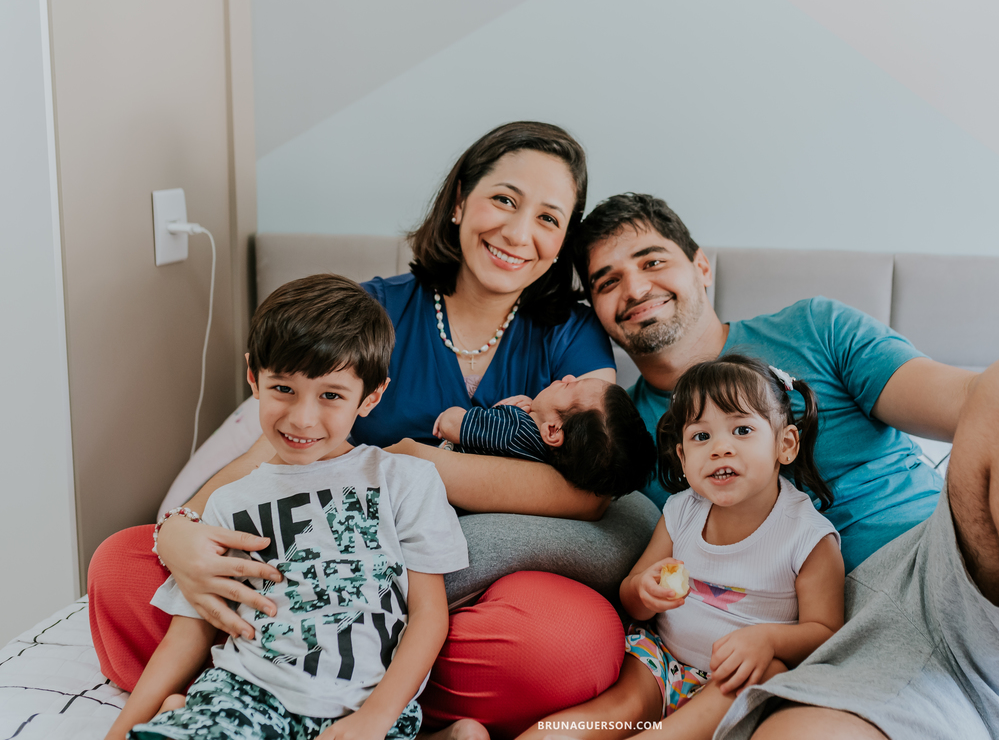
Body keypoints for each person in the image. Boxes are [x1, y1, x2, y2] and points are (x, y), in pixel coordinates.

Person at [88, 123, 658, 739]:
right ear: (461, 199)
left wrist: (413, 461)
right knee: (122, 567)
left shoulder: (570, 335)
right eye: (505, 200)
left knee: (567, 644)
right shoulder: (376, 311)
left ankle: (325, 698)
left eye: (550, 219)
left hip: (459, 597)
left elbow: (585, 491)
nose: (520, 234)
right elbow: (279, 448)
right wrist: (181, 530)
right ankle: (300, 696)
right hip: (319, 581)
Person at [573, 193, 999, 740]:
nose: (636, 287)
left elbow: (976, 400)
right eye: (608, 282)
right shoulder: (632, 439)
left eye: (652, 260)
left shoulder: (814, 328)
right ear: (596, 311)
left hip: (941, 564)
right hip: (834, 655)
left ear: (701, 267)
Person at [105, 273, 469, 740]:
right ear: (254, 377)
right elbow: (189, 633)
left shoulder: (403, 479)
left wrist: (376, 717)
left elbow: (428, 615)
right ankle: (181, 717)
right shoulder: (229, 503)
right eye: (284, 389)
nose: (302, 418)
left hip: (367, 703)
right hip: (249, 693)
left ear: (371, 396)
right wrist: (119, 732)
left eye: (331, 396)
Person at [524, 355, 844, 740]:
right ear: (683, 457)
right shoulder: (681, 511)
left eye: (741, 430)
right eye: (701, 436)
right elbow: (631, 596)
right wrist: (645, 590)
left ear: (785, 444)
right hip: (658, 663)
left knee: (767, 673)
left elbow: (827, 634)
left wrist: (767, 639)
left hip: (734, 681)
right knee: (605, 716)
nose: (720, 448)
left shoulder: (808, 538)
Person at [432, 375, 656, 498]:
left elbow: (451, 425)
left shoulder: (515, 428)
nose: (566, 376)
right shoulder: (547, 461)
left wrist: (484, 415)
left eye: (568, 385)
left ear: (552, 431)